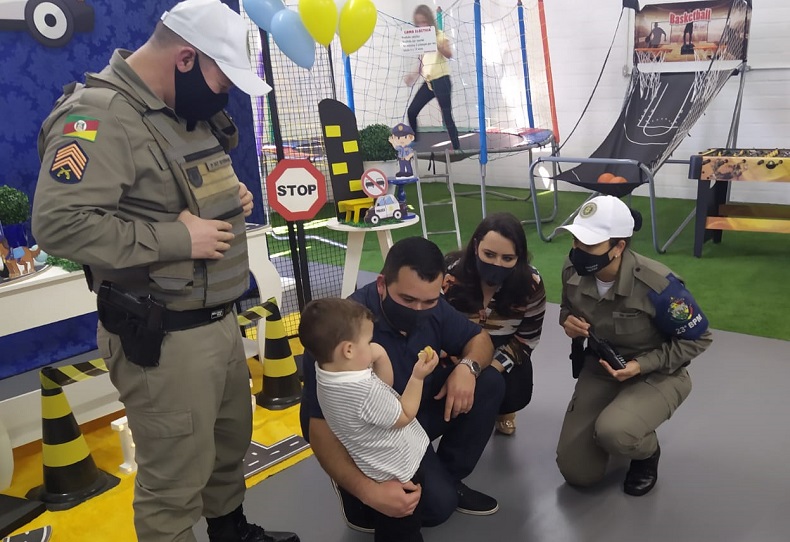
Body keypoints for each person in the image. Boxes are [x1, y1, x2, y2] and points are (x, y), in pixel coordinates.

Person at [31, 1, 298, 541]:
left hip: (218, 319)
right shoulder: (99, 116)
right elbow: (58, 225)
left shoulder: (178, 107)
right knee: (173, 485)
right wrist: (180, 238)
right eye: (222, 79)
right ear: (185, 59)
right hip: (165, 335)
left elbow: (178, 184)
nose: (224, 94)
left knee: (226, 449)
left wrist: (229, 196)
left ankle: (231, 531)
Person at [300, 236, 503, 532]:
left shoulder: (435, 307)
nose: (419, 309)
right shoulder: (340, 334)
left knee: (489, 380)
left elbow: (479, 339)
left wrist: (467, 368)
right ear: (382, 284)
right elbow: (319, 430)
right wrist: (369, 492)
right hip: (369, 436)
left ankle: (447, 478)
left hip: (406, 416)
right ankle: (354, 492)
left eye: (429, 301)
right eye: (408, 300)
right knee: (431, 510)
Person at [554, 195, 713, 496]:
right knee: (578, 473)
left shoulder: (658, 286)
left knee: (615, 432)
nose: (578, 251)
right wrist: (568, 321)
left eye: (589, 244)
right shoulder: (573, 269)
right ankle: (622, 423)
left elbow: (700, 338)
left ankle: (646, 452)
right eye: (576, 240)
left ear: (619, 247)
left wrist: (641, 365)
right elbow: (567, 307)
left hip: (656, 374)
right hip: (602, 368)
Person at [299, 298, 440, 542]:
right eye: (367, 341)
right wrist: (418, 377)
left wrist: (377, 355)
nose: (372, 345)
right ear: (348, 350)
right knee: (403, 530)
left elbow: (383, 384)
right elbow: (405, 414)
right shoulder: (363, 393)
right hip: (398, 470)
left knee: (389, 525)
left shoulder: (326, 372)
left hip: (374, 466)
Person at [442, 212, 546, 436]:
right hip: (454, 350)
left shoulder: (531, 283)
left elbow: (526, 340)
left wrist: (479, 370)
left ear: (519, 257)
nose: (497, 264)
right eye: (489, 254)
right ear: (476, 246)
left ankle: (503, 410)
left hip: (502, 351)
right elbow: (434, 324)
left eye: (507, 258)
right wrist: (459, 365)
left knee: (502, 386)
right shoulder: (449, 274)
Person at [404, 4, 460, 150]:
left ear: (429, 21)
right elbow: (421, 64)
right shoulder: (421, 41)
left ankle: (456, 147)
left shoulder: (440, 35)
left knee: (446, 115)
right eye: (418, 23)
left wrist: (436, 44)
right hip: (429, 82)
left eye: (424, 22)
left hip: (442, 80)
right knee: (412, 111)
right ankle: (415, 140)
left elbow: (449, 54)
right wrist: (412, 77)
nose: (421, 25)